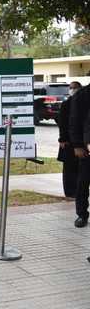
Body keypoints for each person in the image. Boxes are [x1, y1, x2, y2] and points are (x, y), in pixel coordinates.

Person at [69, 82, 90, 227]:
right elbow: (74, 122)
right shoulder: (83, 95)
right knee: (83, 182)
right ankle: (82, 214)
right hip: (86, 148)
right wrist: (77, 145)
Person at [58, 81, 82, 198]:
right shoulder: (66, 104)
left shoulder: (84, 103)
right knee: (68, 168)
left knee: (79, 167)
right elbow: (62, 123)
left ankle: (78, 190)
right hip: (67, 141)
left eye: (75, 88)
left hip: (81, 141)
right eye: (71, 88)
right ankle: (69, 191)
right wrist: (62, 139)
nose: (72, 90)